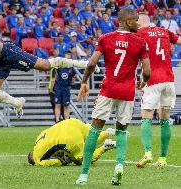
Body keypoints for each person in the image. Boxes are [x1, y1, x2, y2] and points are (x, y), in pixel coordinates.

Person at [75, 9, 151, 186]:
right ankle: (118, 166)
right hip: (127, 92)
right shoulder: (140, 42)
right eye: (136, 21)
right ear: (126, 21)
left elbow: (92, 63)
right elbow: (147, 71)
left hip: (108, 89)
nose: (139, 24)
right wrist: (143, 82)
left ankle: (84, 175)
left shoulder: (105, 38)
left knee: (95, 129)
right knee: (121, 130)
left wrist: (84, 81)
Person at [136, 14, 181, 168]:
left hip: (153, 80)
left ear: (141, 22)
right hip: (169, 80)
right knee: (164, 119)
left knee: (146, 115)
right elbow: (179, 40)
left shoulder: (140, 33)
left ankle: (148, 153)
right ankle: (162, 158)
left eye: (136, 22)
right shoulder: (165, 31)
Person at [27, 118, 116, 166]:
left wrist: (70, 159)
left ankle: (105, 146)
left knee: (82, 160)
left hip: (69, 139)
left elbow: (58, 162)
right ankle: (108, 133)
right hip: (71, 122)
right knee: (90, 137)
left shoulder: (37, 160)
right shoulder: (37, 140)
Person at [54, 51, 76, 123]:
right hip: (58, 87)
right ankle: (57, 120)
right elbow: (56, 76)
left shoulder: (71, 67)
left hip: (66, 88)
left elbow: (74, 76)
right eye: (67, 54)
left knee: (66, 105)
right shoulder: (60, 66)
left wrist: (72, 84)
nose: (68, 56)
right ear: (64, 55)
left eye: (69, 54)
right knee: (58, 104)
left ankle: (66, 121)